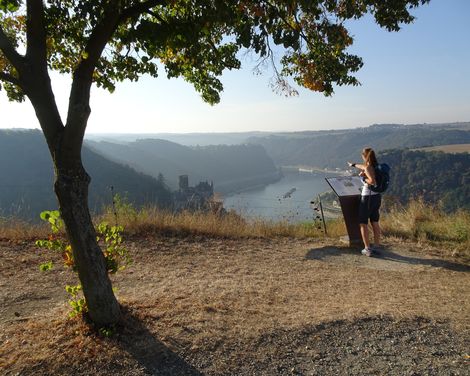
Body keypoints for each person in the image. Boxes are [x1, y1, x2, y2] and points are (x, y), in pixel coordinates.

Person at [348, 147, 381, 256]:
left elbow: (372, 181)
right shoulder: (377, 166)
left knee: (363, 223)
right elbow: (361, 166)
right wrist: (353, 165)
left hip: (367, 197)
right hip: (377, 197)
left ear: (364, 156)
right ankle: (376, 246)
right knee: (375, 222)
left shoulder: (367, 167)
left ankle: (367, 248)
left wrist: (363, 179)